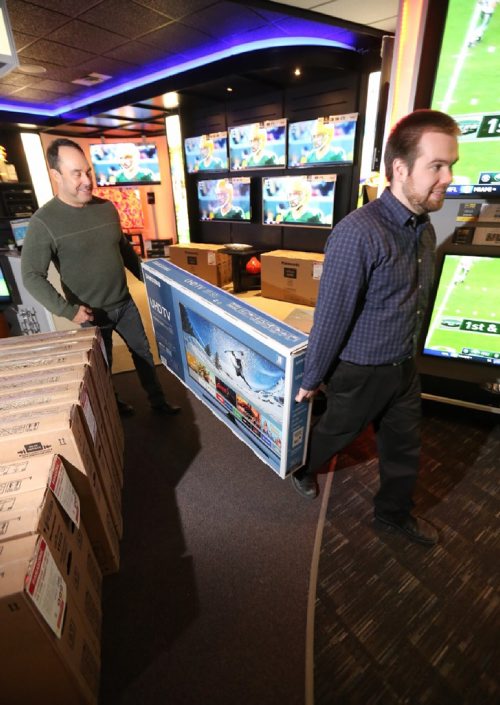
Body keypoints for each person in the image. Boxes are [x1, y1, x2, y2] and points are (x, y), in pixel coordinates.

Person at [292, 109, 460, 547]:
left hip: (403, 366)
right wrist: (312, 379)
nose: (448, 177)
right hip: (361, 370)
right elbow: (333, 314)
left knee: (404, 448)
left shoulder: (423, 227)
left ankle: (392, 515)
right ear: (400, 168)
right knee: (333, 435)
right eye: (437, 166)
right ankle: (302, 469)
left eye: (451, 166)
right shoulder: (358, 232)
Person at [21, 138, 180, 417]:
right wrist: (68, 311)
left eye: (88, 172)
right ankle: (113, 408)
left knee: (143, 354)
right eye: (77, 174)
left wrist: (152, 282)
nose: (87, 180)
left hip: (125, 304)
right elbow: (31, 276)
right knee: (102, 368)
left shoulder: (107, 208)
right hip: (91, 314)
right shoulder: (43, 222)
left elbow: (125, 252)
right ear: (56, 175)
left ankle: (158, 402)